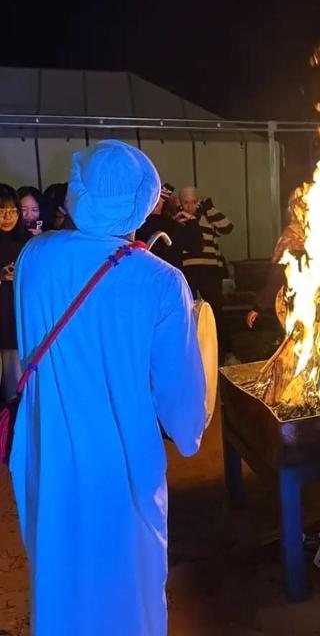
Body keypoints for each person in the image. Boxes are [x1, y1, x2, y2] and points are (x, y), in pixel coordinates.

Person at [11, 140, 207, 636]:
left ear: (80, 193)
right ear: (145, 201)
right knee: (130, 593)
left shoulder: (36, 259)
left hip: (49, 457)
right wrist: (189, 433)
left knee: (60, 582)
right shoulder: (162, 283)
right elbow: (181, 400)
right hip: (122, 467)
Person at [178, 186, 234, 362]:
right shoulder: (178, 218)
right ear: (180, 203)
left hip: (210, 268)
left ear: (198, 201)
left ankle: (227, 352)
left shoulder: (208, 216)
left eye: (193, 202)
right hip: (187, 269)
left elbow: (227, 227)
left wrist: (208, 208)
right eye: (185, 202)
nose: (190, 206)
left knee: (216, 310)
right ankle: (194, 356)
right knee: (189, 312)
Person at [246, 187, 306, 329]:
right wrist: (259, 306)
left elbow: (277, 273)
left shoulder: (293, 236)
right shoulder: (292, 236)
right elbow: (278, 273)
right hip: (303, 304)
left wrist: (259, 306)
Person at [136, 183, 203, 270]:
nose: (156, 199)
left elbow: (196, 248)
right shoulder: (136, 225)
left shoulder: (174, 224)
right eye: (153, 196)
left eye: (159, 196)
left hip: (170, 274)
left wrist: (192, 222)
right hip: (147, 273)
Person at [0, 184, 26, 404]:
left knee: (13, 389)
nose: (7, 217)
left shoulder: (27, 243)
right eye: (1, 212)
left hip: (14, 321)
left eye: (12, 211)